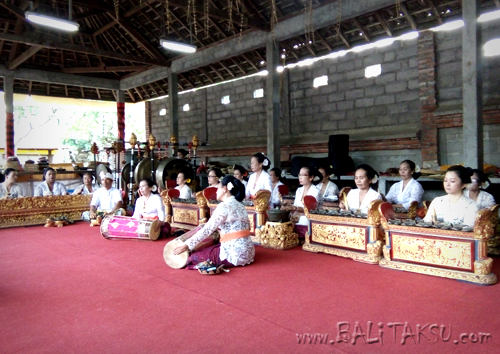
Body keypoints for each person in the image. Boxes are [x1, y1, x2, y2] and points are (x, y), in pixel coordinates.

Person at [172, 175, 254, 269]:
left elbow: (207, 229)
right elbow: (249, 227)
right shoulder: (241, 205)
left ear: (224, 189)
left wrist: (187, 244)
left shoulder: (224, 206)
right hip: (249, 252)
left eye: (218, 188)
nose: (216, 191)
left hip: (235, 254)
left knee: (192, 258)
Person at [282, 166, 321, 240]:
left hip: (310, 218)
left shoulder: (315, 191)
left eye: (303, 175)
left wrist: (295, 208)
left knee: (303, 219)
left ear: (311, 177)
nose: (300, 177)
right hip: (297, 216)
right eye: (299, 175)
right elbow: (296, 206)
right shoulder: (299, 190)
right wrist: (288, 206)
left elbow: (311, 210)